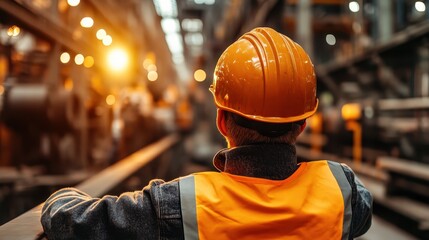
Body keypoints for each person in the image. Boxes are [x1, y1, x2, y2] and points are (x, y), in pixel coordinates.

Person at [41, 27, 372, 239]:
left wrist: (58, 197)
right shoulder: (344, 192)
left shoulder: (182, 203)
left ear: (222, 122)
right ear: (301, 125)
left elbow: (73, 221)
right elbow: (363, 213)